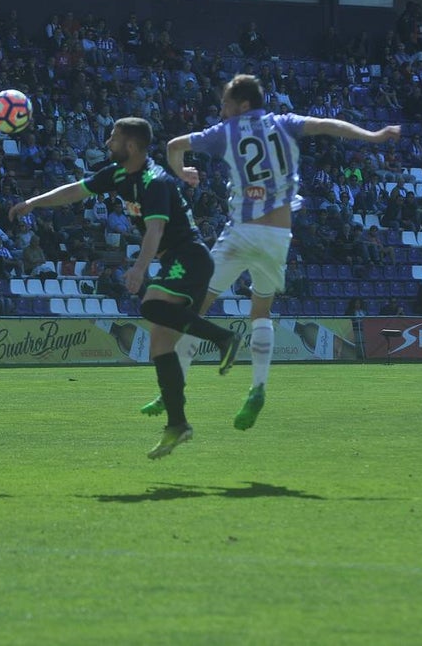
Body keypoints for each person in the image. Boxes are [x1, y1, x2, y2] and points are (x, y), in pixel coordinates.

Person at [165, 74, 400, 430]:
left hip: (242, 230)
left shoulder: (224, 131)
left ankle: (176, 384)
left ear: (242, 105)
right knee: (261, 311)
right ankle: (258, 386)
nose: (222, 109)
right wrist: (372, 136)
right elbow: (325, 124)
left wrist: (182, 172)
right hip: (278, 235)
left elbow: (173, 144)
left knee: (195, 304)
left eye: (226, 102)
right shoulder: (284, 123)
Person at [9, 116, 242, 459]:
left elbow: (155, 232)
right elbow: (76, 189)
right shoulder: (118, 175)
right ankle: (178, 425)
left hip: (190, 257)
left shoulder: (155, 181)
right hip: (176, 259)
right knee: (159, 346)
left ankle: (223, 337)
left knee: (149, 304)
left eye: (113, 139)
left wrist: (138, 268)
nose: (107, 144)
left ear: (131, 146)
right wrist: (33, 203)